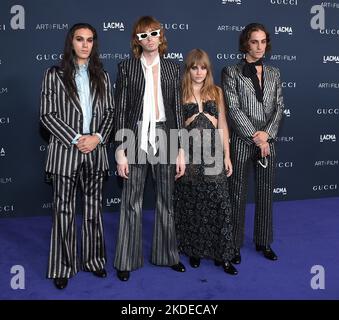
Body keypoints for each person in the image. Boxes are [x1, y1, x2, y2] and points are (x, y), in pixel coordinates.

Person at [40, 23, 114, 289]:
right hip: (65, 152)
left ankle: (94, 261)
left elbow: (110, 114)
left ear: (94, 44)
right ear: (70, 42)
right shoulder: (54, 74)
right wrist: (76, 139)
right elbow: (47, 115)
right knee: (63, 210)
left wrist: (96, 139)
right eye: (80, 39)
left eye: (90, 40)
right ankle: (62, 265)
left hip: (95, 152)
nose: (85, 44)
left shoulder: (102, 76)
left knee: (94, 210)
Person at [113, 16, 186, 281]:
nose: (150, 38)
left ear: (161, 36)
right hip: (135, 134)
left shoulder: (173, 69)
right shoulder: (126, 68)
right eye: (143, 35)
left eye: (153, 33)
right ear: (137, 40)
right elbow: (121, 111)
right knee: (131, 199)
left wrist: (180, 149)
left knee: (166, 199)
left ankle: (167, 255)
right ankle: (126, 259)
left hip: (165, 132)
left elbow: (177, 110)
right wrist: (120, 151)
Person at [222, 23, 284, 264]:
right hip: (241, 141)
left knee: (266, 192)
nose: (259, 47)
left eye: (263, 42)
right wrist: (255, 136)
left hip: (267, 142)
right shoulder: (231, 72)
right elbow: (233, 109)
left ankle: (263, 241)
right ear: (245, 44)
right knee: (236, 193)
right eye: (254, 42)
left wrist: (266, 135)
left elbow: (279, 108)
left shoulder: (275, 73)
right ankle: (234, 244)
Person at [174, 49, 238, 275]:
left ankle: (224, 255)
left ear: (208, 69)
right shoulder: (180, 92)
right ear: (188, 69)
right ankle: (195, 251)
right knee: (192, 203)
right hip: (190, 153)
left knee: (220, 203)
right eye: (194, 67)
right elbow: (178, 128)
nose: (199, 72)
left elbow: (222, 126)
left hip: (214, 153)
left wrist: (227, 155)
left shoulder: (217, 92)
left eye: (203, 67)